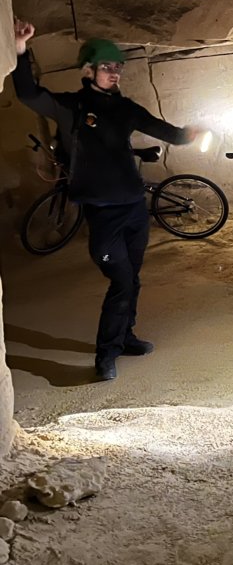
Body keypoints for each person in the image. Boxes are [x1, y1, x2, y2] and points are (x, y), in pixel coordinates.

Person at [12, 19, 204, 381]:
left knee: (132, 277)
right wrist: (20, 49)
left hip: (134, 208)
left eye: (118, 66)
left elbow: (166, 131)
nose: (114, 72)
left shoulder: (126, 108)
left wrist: (190, 134)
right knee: (121, 280)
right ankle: (106, 354)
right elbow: (28, 94)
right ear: (88, 70)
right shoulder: (72, 107)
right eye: (106, 66)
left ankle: (125, 336)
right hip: (103, 215)